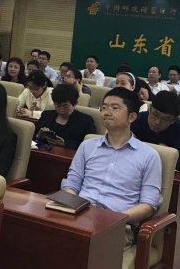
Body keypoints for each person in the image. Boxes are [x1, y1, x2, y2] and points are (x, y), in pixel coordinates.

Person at [61, 88, 163, 242]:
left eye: (115, 108)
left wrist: (115, 219)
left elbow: (148, 204)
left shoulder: (149, 156)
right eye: (103, 107)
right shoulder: (87, 146)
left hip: (117, 225)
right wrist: (74, 207)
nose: (106, 112)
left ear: (132, 116)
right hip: (79, 216)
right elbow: (71, 184)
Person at [131, 90, 180, 172]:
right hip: (137, 169)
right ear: (150, 108)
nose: (157, 122)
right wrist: (164, 150)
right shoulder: (136, 120)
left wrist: (141, 147)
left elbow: (178, 163)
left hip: (171, 173)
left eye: (165, 119)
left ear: (174, 120)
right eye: (155, 115)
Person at [34, 84, 96, 149]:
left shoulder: (86, 121)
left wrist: (65, 144)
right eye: (58, 106)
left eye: (66, 106)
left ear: (75, 104)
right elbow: (31, 135)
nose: (62, 110)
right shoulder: (46, 115)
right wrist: (38, 136)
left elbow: (90, 145)